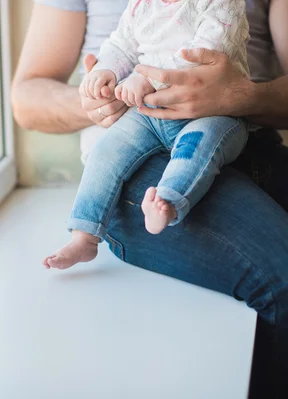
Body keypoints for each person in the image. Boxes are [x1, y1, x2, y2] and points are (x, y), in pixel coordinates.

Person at [12, 0, 288, 397]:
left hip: (239, 133)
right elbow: (27, 98)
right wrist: (95, 98)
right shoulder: (140, 12)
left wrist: (240, 97)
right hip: (141, 154)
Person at [44, 0, 250, 270]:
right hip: (150, 113)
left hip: (213, 113)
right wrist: (106, 70)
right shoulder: (142, 5)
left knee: (196, 149)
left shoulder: (222, 4)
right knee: (107, 150)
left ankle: (167, 203)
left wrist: (147, 79)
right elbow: (122, 44)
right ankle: (84, 235)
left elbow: (206, 51)